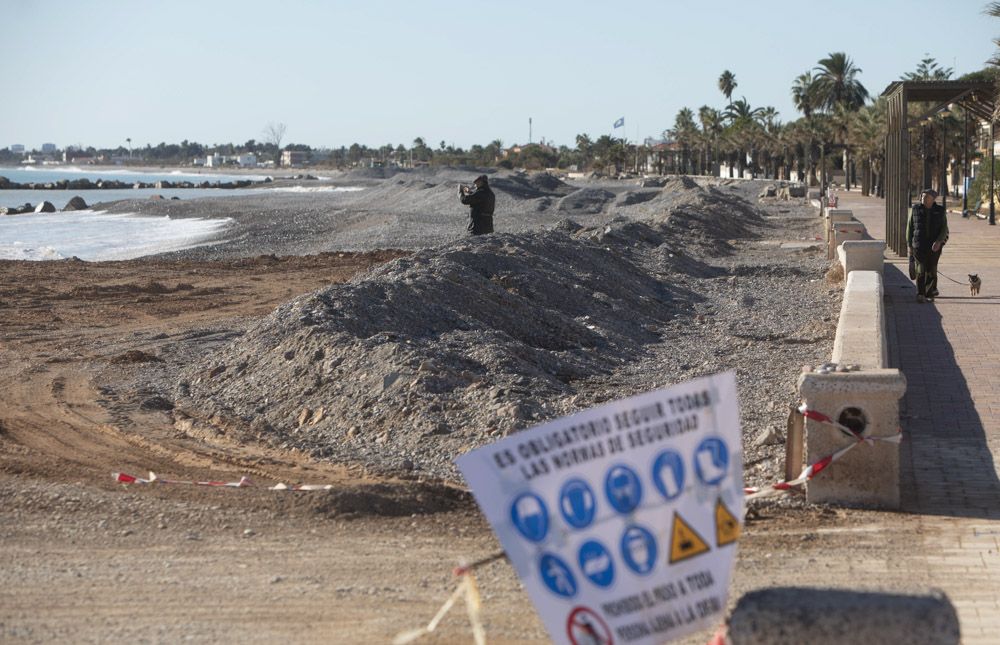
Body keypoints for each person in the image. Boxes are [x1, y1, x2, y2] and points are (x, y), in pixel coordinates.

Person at [906, 188, 948, 303]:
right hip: (918, 245)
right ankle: (920, 294)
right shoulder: (915, 209)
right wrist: (910, 245)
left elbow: (944, 229)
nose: (922, 199)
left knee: (932, 270)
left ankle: (929, 293)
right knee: (920, 269)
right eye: (922, 197)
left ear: (933, 199)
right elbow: (909, 228)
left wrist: (939, 241)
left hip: (934, 246)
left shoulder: (940, 210)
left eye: (926, 197)